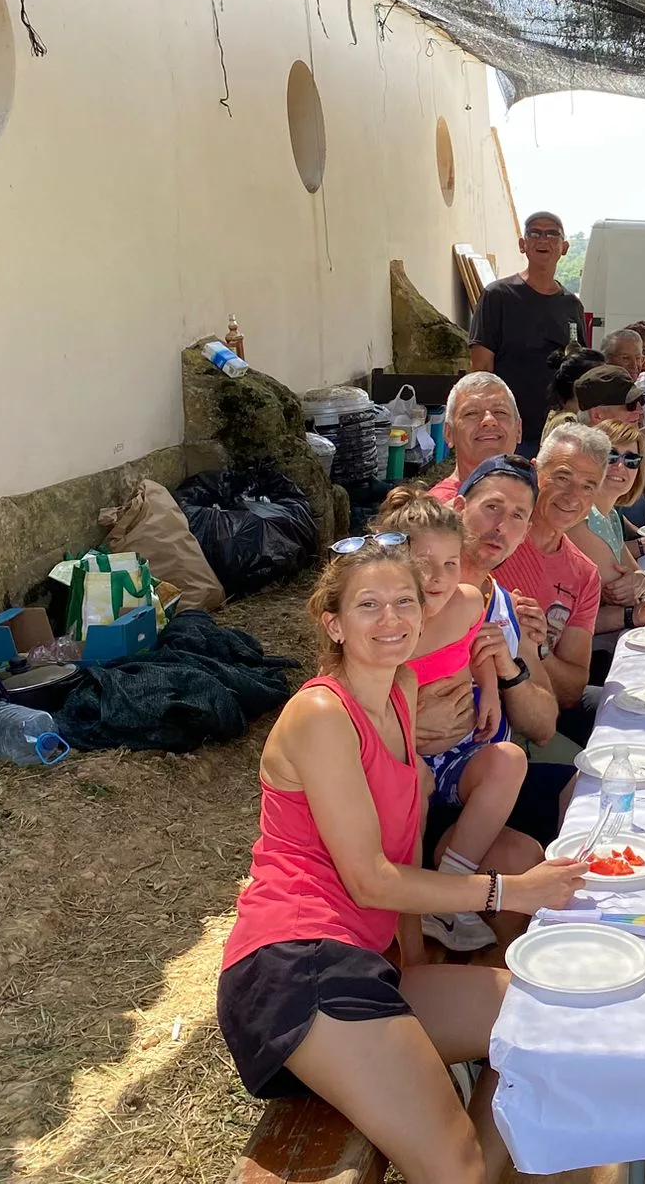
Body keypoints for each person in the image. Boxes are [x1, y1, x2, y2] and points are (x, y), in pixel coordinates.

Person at [215, 540, 586, 1184]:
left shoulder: (401, 688)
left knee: (545, 1033)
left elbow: (404, 845)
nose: (391, 619)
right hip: (298, 964)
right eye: (368, 605)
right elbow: (369, 877)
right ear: (333, 624)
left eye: (403, 602)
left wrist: (411, 965)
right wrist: (507, 892)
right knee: (457, 1168)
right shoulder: (322, 712)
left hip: (366, 959)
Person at [368, 489, 543, 953]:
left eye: (450, 563)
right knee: (415, 784)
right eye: (424, 563)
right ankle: (409, 910)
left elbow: (478, 641)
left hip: (460, 751)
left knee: (509, 759)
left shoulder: (465, 602)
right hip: (407, 757)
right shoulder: (389, 628)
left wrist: (488, 687)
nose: (438, 577)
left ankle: (448, 893)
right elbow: (369, 703)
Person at [447, 457, 578, 847]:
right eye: (492, 508)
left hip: (495, 775)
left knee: (590, 793)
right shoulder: (419, 598)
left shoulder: (507, 606)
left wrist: (511, 668)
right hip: (430, 787)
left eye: (518, 516)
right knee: (521, 857)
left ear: (524, 534)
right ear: (458, 509)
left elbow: (543, 727)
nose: (502, 527)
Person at [492, 423, 608, 747]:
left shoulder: (584, 573)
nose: (574, 496)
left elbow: (572, 690)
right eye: (562, 478)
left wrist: (538, 647)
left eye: (588, 487)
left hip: (537, 710)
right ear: (534, 471)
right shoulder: (494, 541)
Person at [466, 212, 585, 455]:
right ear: (523, 245)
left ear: (564, 247)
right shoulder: (498, 296)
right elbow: (481, 368)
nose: (544, 239)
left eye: (552, 233)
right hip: (509, 431)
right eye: (535, 233)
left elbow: (579, 370)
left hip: (556, 431)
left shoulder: (572, 305)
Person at [572, 418, 645, 653]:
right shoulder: (583, 518)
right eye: (611, 457)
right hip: (593, 649)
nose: (620, 467)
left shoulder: (609, 515)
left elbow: (638, 576)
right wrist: (637, 588)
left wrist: (640, 581)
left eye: (631, 460)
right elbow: (622, 596)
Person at [430, 374, 523, 504]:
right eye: (471, 413)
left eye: (500, 412)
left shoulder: (539, 504)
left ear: (519, 429)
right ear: (449, 433)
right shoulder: (434, 514)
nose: (489, 420)